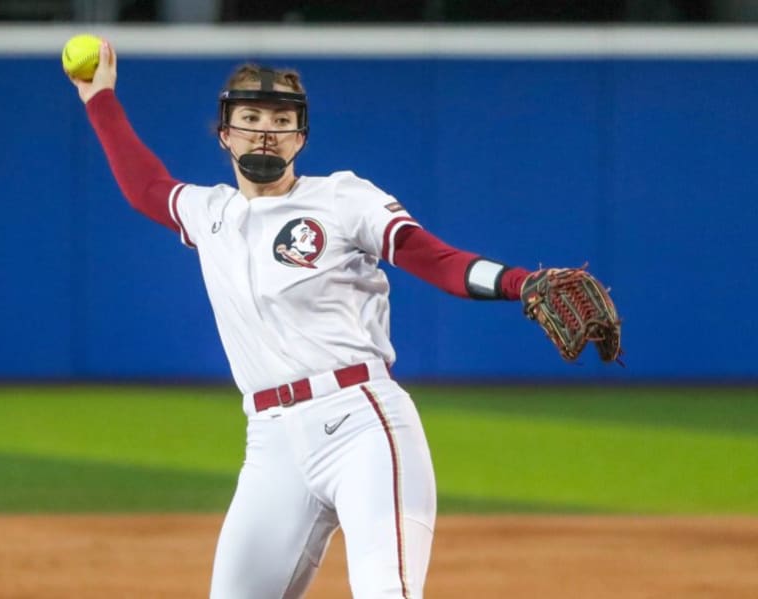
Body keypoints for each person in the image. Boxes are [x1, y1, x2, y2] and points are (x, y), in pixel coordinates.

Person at [70, 40, 530, 599]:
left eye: (282, 119)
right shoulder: (209, 213)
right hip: (270, 444)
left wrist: (519, 283)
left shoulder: (341, 198)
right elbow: (145, 187)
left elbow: (432, 258)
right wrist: (99, 97)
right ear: (225, 132)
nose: (266, 130)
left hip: (362, 424)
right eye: (251, 117)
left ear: (301, 136)